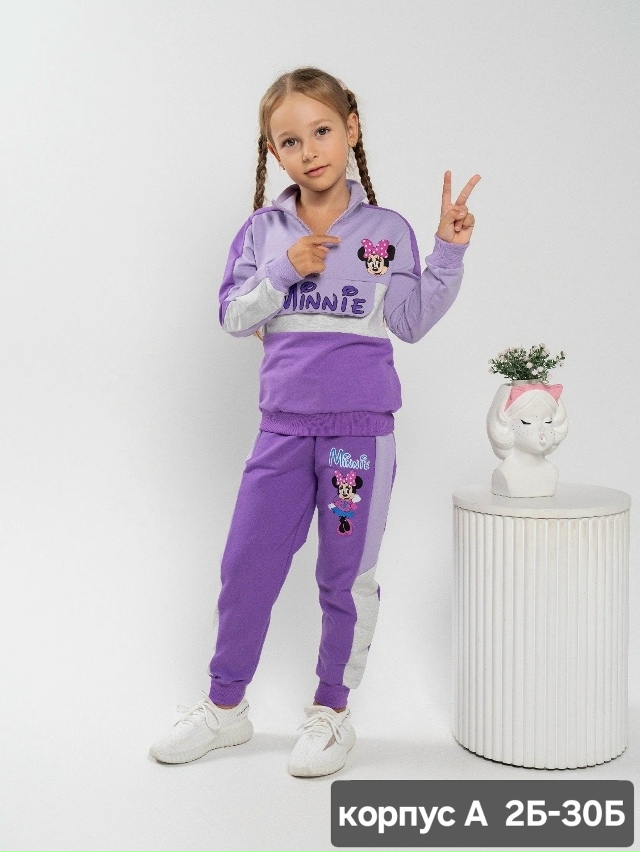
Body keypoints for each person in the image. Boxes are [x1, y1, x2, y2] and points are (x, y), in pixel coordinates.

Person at [149, 66, 480, 777]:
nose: (310, 150)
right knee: (246, 566)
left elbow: (411, 322)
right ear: (274, 153)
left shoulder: (385, 232)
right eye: (290, 141)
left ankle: (331, 711)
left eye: (322, 130)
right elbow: (233, 315)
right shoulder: (264, 231)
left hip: (359, 438)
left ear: (350, 130)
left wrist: (448, 251)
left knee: (345, 572)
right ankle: (225, 707)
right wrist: (284, 271)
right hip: (281, 433)